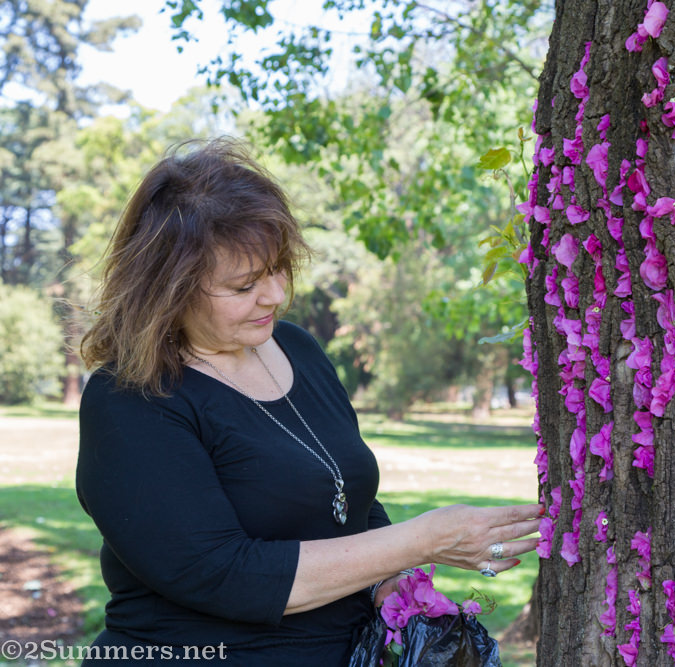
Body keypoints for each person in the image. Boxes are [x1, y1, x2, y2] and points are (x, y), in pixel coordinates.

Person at [76, 138, 541, 665]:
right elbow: (223, 575)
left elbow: (349, 501)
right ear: (170, 289)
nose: (274, 294)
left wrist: (391, 583)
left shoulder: (295, 347)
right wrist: (423, 541)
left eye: (278, 267)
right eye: (245, 284)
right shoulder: (130, 398)